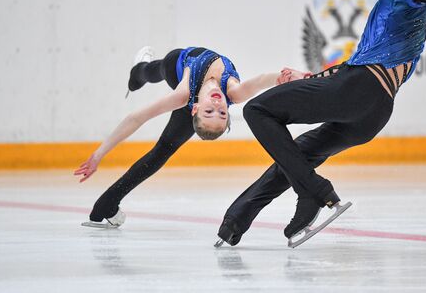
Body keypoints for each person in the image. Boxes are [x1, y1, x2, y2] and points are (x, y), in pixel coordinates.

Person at [215, 0, 426, 247]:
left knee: (257, 110)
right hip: (374, 112)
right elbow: (352, 65)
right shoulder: (397, 17)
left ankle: (316, 191)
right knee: (301, 153)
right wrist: (310, 77)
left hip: (358, 89)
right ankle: (237, 220)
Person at [74, 46, 293, 228]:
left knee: (164, 146)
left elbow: (136, 118)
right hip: (183, 67)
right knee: (149, 74)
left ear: (195, 109)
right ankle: (138, 73)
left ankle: (105, 206)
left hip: (176, 67)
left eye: (209, 112)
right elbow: (264, 80)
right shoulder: (234, 92)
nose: (217, 105)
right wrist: (288, 78)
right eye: (222, 112)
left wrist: (98, 154)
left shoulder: (183, 95)